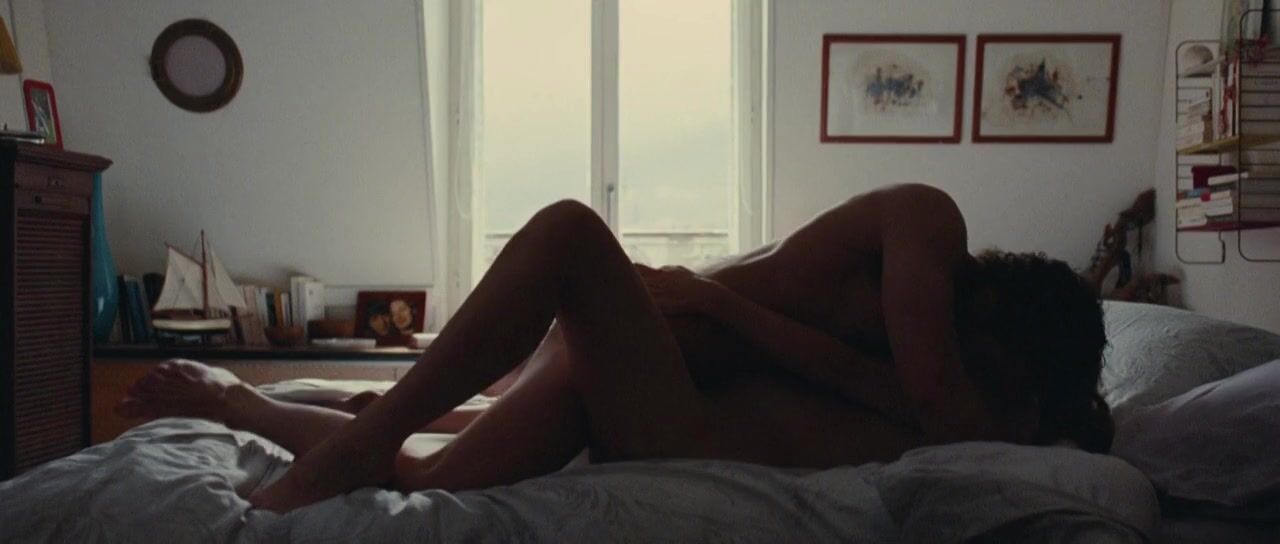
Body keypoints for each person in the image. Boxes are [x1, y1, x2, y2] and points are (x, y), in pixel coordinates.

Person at [116, 184, 1111, 514]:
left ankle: (254, 408)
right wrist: (706, 307)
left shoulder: (979, 413)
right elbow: (919, 386)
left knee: (426, 461)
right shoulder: (927, 230)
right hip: (644, 369)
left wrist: (712, 306)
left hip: (669, 405)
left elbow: (930, 402)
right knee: (431, 446)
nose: (945, 356)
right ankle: (293, 417)